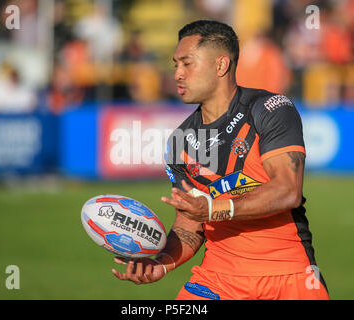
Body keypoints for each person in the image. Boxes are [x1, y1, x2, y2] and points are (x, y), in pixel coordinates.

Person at [112, 20, 329, 300]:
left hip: (289, 276)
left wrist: (213, 209)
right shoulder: (180, 141)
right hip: (216, 281)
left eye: (187, 64)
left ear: (221, 65)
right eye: (175, 64)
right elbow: (190, 222)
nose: (177, 74)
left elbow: (287, 191)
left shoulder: (271, 110)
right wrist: (162, 262)